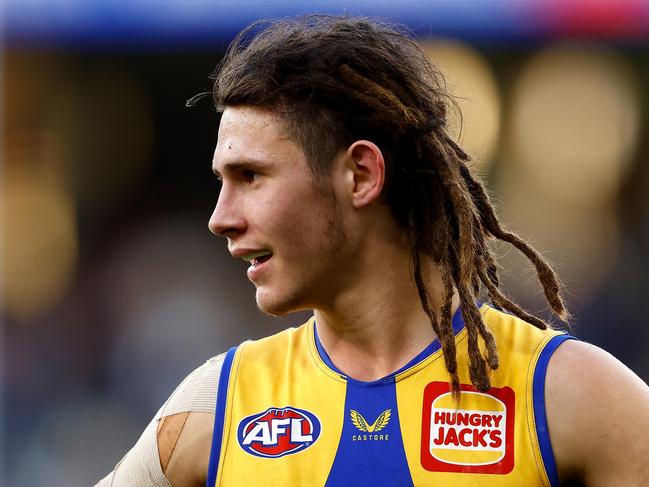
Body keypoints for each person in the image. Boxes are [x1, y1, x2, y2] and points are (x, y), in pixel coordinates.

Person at [96, 15, 649, 487]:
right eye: (222, 180)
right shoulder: (216, 407)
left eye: (251, 176)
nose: (221, 218)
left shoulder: (568, 396)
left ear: (360, 174)